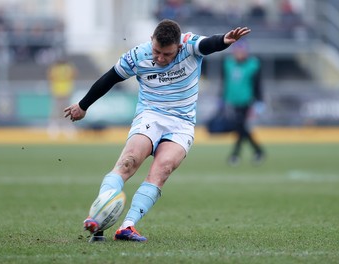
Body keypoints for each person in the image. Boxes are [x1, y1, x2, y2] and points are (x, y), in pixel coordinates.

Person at [64, 19, 251, 242]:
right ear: (151, 41)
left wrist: (223, 40)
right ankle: (99, 218)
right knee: (129, 161)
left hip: (181, 123)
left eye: (167, 54)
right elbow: (110, 78)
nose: (160, 58)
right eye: (156, 51)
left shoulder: (189, 45)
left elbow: (209, 44)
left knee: (163, 169)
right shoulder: (138, 55)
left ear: (179, 47)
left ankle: (127, 227)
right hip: (150, 116)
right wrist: (83, 105)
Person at [222, 40, 265, 166]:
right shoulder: (228, 63)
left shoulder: (253, 64)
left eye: (242, 50)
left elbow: (257, 85)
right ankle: (258, 151)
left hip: (246, 102)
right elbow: (225, 83)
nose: (239, 53)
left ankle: (235, 155)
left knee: (240, 127)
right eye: (237, 50)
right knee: (241, 129)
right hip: (232, 101)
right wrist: (222, 98)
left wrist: (259, 102)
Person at [47, 57, 77, 139]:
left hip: (58, 91)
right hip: (66, 91)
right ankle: (66, 128)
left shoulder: (55, 68)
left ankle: (55, 129)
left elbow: (50, 76)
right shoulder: (68, 67)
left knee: (57, 111)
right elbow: (74, 75)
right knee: (66, 111)